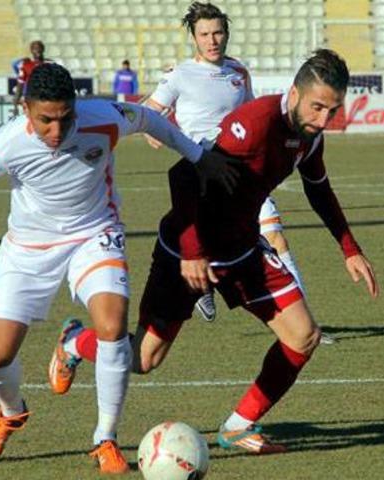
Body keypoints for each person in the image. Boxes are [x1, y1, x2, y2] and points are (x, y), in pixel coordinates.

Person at [0, 63, 240, 473]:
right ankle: (10, 412)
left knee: (113, 328)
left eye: (65, 118)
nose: (57, 131)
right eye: (45, 120)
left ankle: (105, 439)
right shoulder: (6, 143)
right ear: (25, 109)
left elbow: (150, 118)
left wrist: (198, 155)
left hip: (94, 234)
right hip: (26, 248)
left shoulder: (104, 117)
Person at [49, 49, 378, 454]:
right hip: (185, 251)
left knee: (304, 335)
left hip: (242, 251)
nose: (324, 120)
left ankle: (239, 425)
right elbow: (184, 174)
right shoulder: (255, 123)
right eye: (318, 107)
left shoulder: (308, 137)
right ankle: (75, 341)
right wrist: (192, 252)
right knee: (143, 360)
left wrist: (349, 248)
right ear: (294, 93)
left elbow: (318, 187)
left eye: (333, 109)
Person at [139, 2, 326, 343]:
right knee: (210, 249)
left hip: (242, 173)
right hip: (201, 178)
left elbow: (254, 112)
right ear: (193, 37)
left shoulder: (238, 71)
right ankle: (204, 287)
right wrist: (160, 129)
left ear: (227, 33)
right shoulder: (179, 74)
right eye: (205, 34)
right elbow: (147, 113)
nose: (213, 40)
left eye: (218, 32)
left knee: (276, 236)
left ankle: (306, 322)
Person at [13, 40, 50, 114]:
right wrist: (15, 105)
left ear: (43, 49)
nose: (38, 50)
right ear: (31, 51)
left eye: (39, 48)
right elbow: (20, 85)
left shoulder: (50, 64)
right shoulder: (26, 65)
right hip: (31, 100)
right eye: (35, 48)